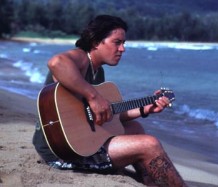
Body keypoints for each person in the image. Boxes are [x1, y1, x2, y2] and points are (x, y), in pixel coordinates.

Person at [33, 15, 187, 187]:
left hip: (78, 142)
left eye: (124, 43)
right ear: (96, 42)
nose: (122, 49)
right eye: (117, 42)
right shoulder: (82, 58)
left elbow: (108, 115)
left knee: (136, 129)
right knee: (150, 144)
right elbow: (56, 62)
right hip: (63, 152)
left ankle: (149, 180)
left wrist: (145, 109)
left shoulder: (98, 73)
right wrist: (94, 97)